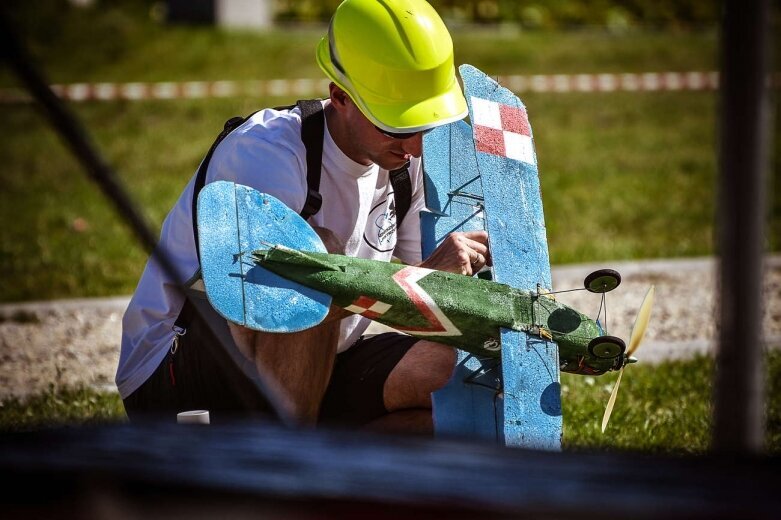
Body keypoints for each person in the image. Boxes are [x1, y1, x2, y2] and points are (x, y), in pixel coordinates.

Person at [116, 0, 491, 433]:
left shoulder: (404, 163)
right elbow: (263, 308)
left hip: (312, 362)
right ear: (340, 96)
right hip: (175, 372)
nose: (416, 146)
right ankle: (294, 474)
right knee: (312, 263)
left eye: (425, 125)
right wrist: (420, 280)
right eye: (397, 126)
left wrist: (466, 288)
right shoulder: (266, 153)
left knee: (450, 381)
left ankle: (329, 482)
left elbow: (414, 300)